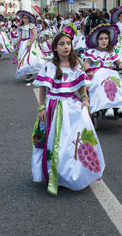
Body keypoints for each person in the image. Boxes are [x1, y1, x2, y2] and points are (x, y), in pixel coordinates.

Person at [31, 28, 105, 196]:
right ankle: (57, 174)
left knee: (74, 141)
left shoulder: (75, 65)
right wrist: (41, 107)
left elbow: (81, 86)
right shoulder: (49, 66)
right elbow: (43, 88)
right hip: (54, 108)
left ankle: (76, 173)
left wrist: (85, 99)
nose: (66, 47)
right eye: (61, 44)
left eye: (68, 43)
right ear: (55, 48)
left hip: (72, 107)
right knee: (56, 141)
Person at [82, 24, 122, 118]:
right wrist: (88, 70)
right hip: (98, 73)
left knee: (121, 84)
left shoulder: (111, 52)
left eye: (106, 38)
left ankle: (121, 107)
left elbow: (118, 62)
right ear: (97, 40)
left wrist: (121, 65)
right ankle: (107, 107)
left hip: (111, 72)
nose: (104, 41)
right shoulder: (93, 52)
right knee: (100, 85)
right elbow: (86, 63)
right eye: (101, 39)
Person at [14, 10, 48, 81]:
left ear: (29, 19)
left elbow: (34, 35)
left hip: (29, 43)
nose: (25, 19)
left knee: (31, 58)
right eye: (24, 18)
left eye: (26, 18)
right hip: (23, 44)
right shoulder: (21, 27)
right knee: (22, 59)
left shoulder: (31, 26)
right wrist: (16, 43)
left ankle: (31, 73)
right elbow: (21, 36)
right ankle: (28, 73)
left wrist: (30, 44)